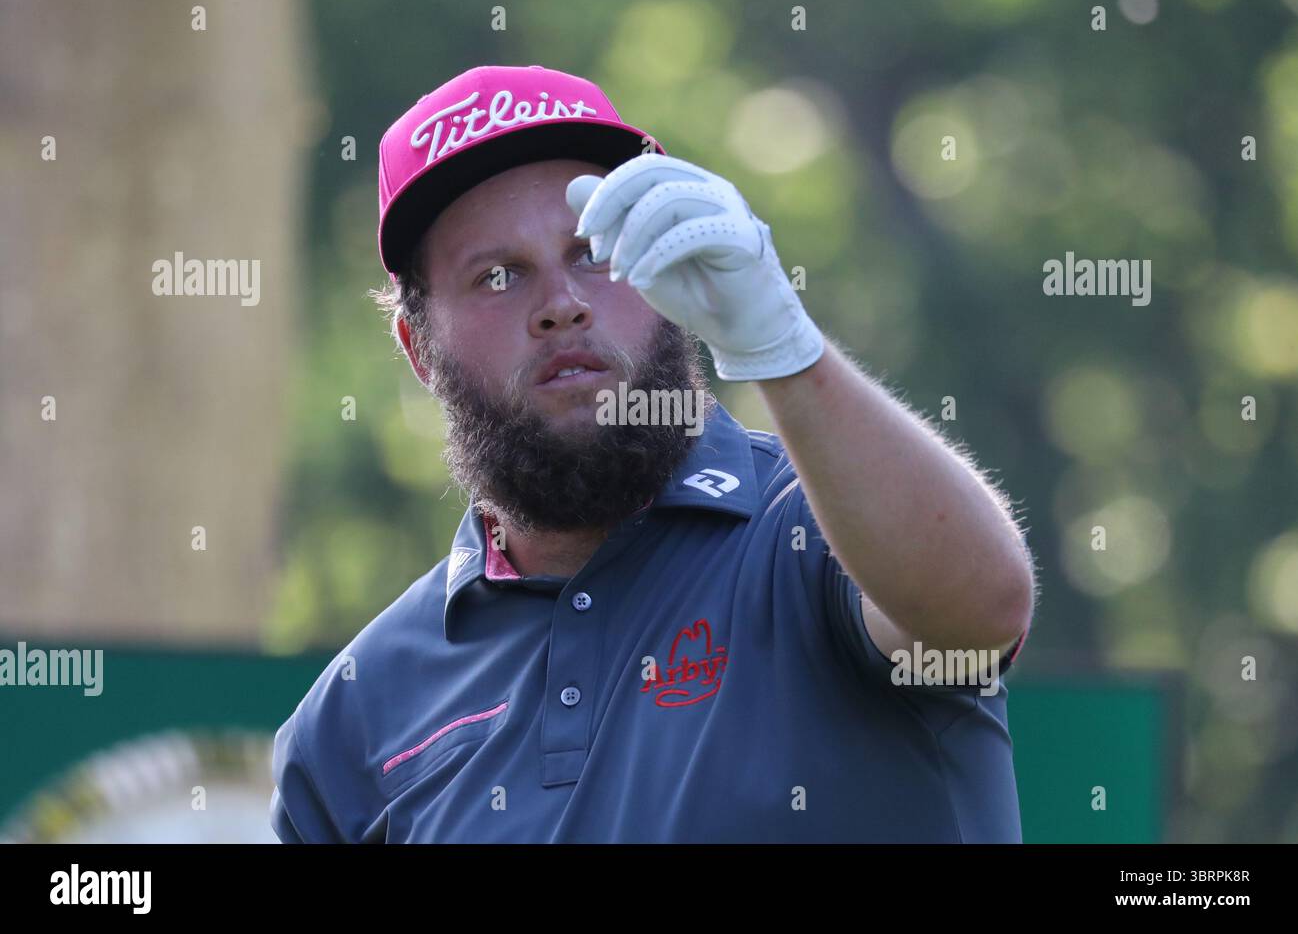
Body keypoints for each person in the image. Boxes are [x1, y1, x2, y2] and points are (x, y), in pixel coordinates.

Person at [270, 64, 1036, 843]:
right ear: (417, 348)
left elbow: (979, 615)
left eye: (594, 251)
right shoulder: (351, 721)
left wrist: (786, 351)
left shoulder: (820, 528)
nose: (561, 304)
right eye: (497, 276)